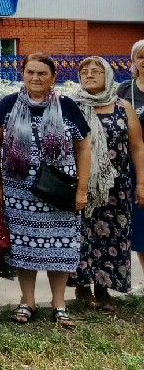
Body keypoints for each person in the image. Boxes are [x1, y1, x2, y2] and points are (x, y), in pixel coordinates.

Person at [0, 53, 92, 329]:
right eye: (30, 72)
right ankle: (28, 300)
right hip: (20, 192)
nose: (35, 78)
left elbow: (84, 147)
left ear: (53, 77)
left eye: (42, 73)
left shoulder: (67, 106)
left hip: (58, 192)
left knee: (60, 246)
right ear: (23, 74)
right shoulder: (9, 105)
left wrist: (81, 190)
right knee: (25, 246)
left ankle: (59, 303)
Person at [70, 57, 144, 309]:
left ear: (108, 76)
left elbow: (136, 146)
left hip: (116, 185)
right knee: (81, 235)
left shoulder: (123, 106)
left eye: (96, 71)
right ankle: (81, 288)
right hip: (80, 184)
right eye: (84, 71)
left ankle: (103, 290)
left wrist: (141, 182)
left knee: (111, 236)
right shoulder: (71, 106)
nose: (89, 75)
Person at [117, 39, 144, 291]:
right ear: (133, 62)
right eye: (141, 57)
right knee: (141, 224)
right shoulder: (124, 91)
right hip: (134, 166)